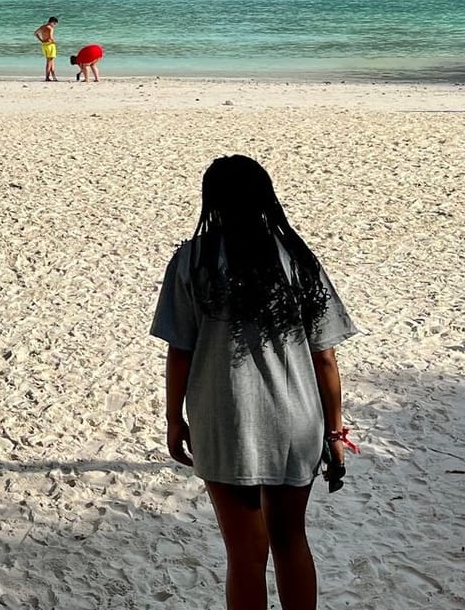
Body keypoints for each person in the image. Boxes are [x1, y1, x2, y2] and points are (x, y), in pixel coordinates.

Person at [153, 155, 357, 610]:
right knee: (291, 541)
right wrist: (336, 431)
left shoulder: (193, 260)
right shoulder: (298, 259)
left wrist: (173, 419)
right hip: (296, 419)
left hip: (223, 418)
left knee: (244, 553)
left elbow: (179, 351)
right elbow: (325, 357)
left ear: (212, 202)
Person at [36, 17, 59, 82]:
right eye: (54, 24)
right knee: (49, 62)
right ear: (52, 22)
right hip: (50, 45)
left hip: (44, 45)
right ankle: (47, 77)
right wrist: (54, 42)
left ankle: (54, 77)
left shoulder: (42, 27)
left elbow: (35, 33)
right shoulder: (50, 28)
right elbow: (51, 37)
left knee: (51, 61)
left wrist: (41, 40)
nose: (54, 25)